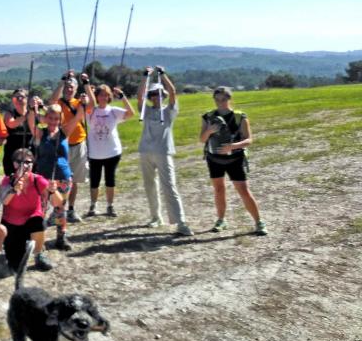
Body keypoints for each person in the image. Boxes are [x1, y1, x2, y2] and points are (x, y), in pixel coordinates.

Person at [199, 86, 268, 235]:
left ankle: (259, 222)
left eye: (223, 99)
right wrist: (209, 130)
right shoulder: (208, 117)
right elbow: (202, 139)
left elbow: (249, 139)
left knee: (243, 190)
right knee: (219, 189)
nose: (220, 102)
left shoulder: (240, 117)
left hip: (235, 159)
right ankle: (221, 220)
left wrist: (233, 146)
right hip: (214, 159)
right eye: (217, 100)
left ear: (229, 99)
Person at [137, 67, 194, 236]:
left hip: (163, 152)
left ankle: (181, 222)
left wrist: (162, 75)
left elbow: (173, 91)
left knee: (169, 186)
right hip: (145, 151)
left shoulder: (169, 111)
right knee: (150, 186)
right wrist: (145, 76)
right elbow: (140, 96)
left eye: (160, 94)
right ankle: (156, 217)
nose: (157, 97)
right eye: (153, 94)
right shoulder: (145, 110)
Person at [0, 148, 62, 272]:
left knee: (38, 222)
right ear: (14, 164)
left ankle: (39, 254)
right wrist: (13, 189)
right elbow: (4, 201)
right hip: (12, 224)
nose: (25, 165)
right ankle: (20, 248)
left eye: (28, 162)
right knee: (16, 265)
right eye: (20, 162)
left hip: (32, 221)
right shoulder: (8, 180)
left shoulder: (38, 180)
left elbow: (58, 203)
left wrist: (53, 191)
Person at [30, 102, 78, 251]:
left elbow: (78, 118)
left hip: (63, 176)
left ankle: (61, 237)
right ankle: (39, 241)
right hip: (44, 177)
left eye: (56, 118)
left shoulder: (64, 132)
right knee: (41, 209)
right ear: (46, 118)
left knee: (60, 208)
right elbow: (31, 122)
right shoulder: (40, 132)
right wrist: (33, 109)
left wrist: (83, 104)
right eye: (50, 118)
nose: (53, 121)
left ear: (60, 119)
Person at [83, 84, 135, 217]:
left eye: (106, 95)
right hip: (94, 153)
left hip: (112, 152)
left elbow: (131, 113)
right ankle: (93, 206)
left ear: (109, 97)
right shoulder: (91, 111)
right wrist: (88, 90)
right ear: (97, 97)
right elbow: (84, 106)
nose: (103, 97)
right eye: (101, 95)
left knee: (110, 180)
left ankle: (110, 206)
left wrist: (122, 96)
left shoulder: (113, 111)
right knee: (94, 181)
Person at [50, 71, 92, 222]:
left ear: (76, 89)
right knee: (60, 180)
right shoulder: (59, 104)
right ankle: (57, 210)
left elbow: (92, 104)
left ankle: (71, 210)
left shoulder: (79, 102)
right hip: (62, 146)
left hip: (79, 144)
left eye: (71, 87)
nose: (69, 89)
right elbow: (52, 101)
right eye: (67, 87)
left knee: (74, 180)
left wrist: (86, 85)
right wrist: (62, 80)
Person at [3, 88, 34, 176]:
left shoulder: (32, 113)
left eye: (22, 97)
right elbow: (11, 124)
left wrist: (38, 107)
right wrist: (26, 116)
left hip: (29, 152)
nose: (20, 99)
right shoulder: (10, 113)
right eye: (17, 97)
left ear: (27, 99)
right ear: (13, 100)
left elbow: (44, 120)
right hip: (12, 153)